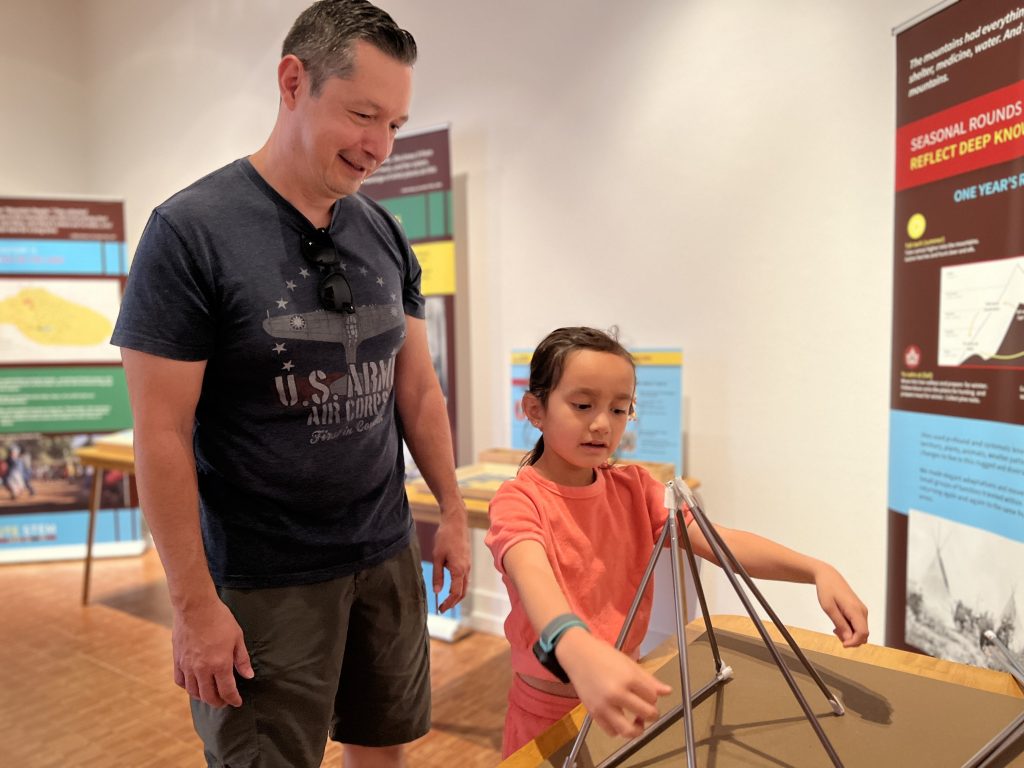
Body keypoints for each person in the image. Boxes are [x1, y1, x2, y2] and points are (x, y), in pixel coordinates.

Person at [111, 2, 471, 766]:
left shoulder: (381, 232)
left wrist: (454, 511)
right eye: (362, 114)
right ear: (292, 80)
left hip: (382, 550)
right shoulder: (189, 233)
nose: (378, 147)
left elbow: (417, 391)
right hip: (262, 579)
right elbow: (162, 434)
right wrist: (193, 608)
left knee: (385, 747)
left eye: (396, 126)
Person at [485, 327, 869, 758]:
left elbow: (718, 540)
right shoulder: (519, 501)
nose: (601, 424)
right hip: (546, 710)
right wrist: (574, 645)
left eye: (619, 409)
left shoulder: (634, 488)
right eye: (582, 405)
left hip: (627, 696)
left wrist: (817, 569)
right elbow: (532, 573)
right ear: (535, 409)